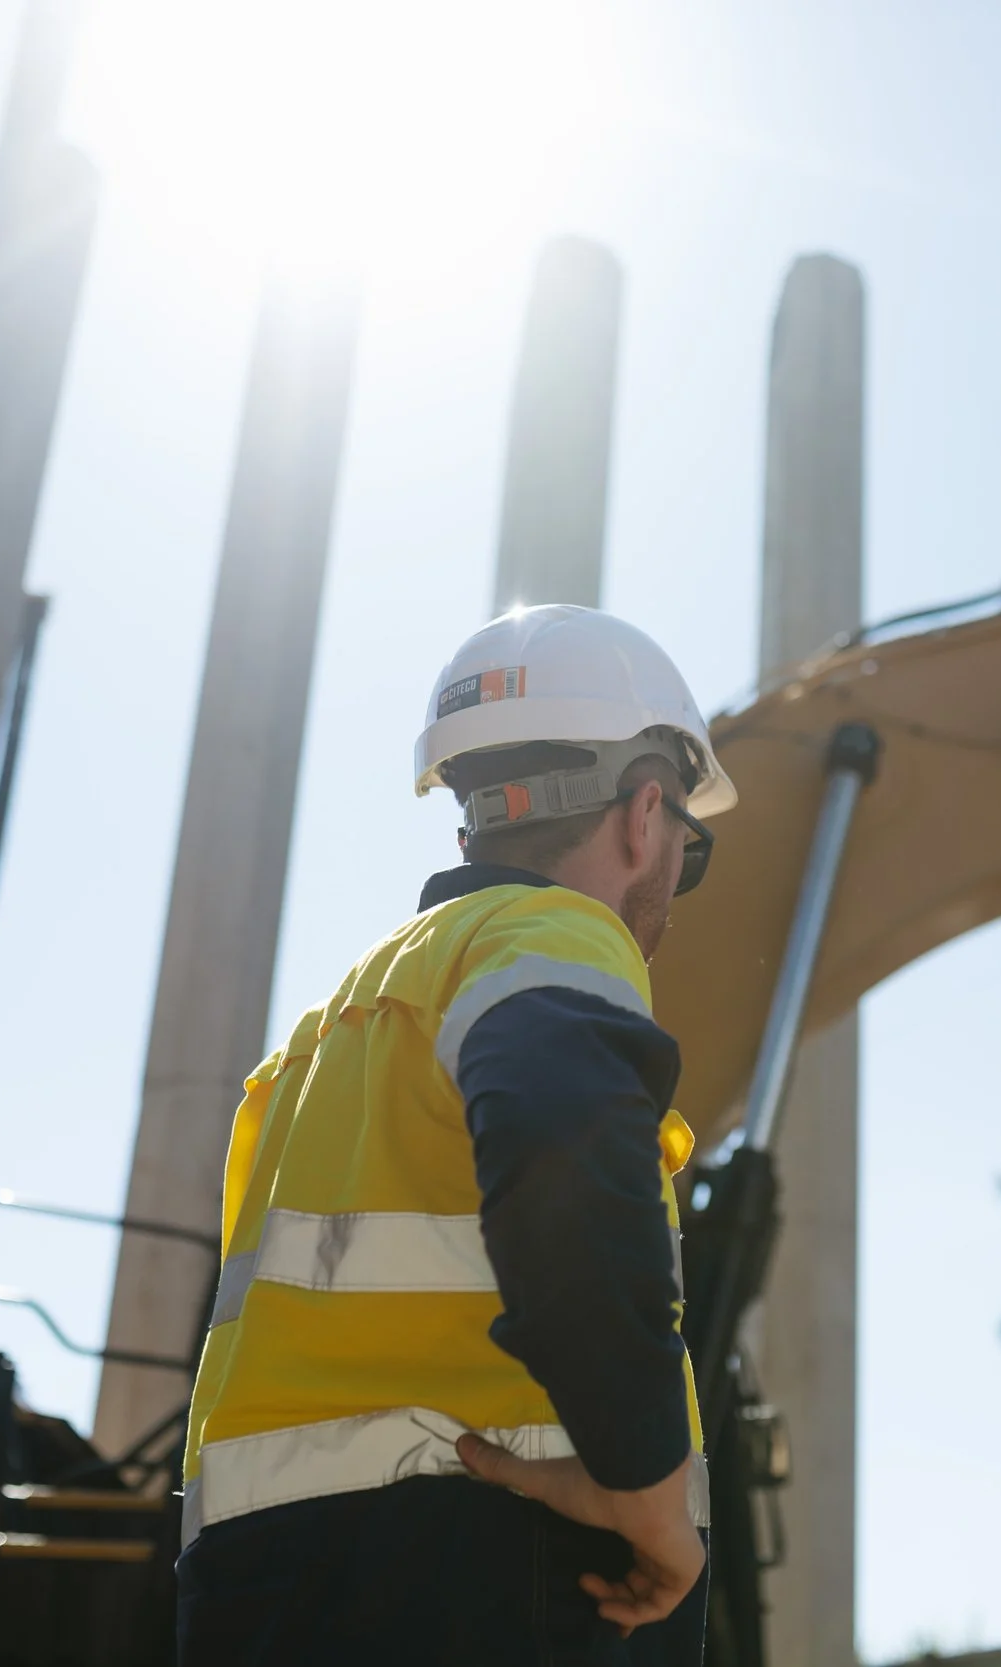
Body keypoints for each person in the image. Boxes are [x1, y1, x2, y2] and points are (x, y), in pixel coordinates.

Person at [175, 604, 735, 1665]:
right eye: (683, 850)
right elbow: (559, 1154)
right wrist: (649, 1481)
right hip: (492, 1567)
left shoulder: (327, 1035)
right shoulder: (558, 933)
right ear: (642, 813)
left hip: (254, 1581)